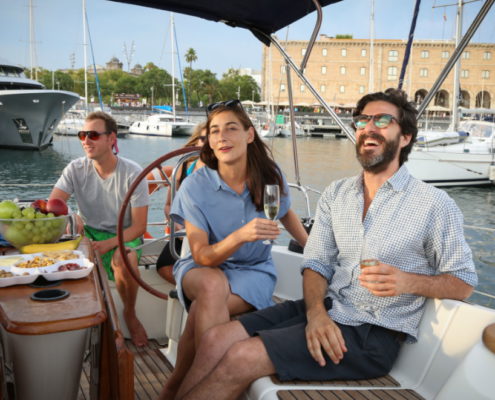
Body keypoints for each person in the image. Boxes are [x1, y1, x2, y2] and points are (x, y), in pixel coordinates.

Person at [172, 89, 478, 400]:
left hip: (371, 331)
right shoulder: (337, 194)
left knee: (241, 358)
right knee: (214, 340)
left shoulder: (434, 204)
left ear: (406, 137)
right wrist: (316, 313)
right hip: (324, 309)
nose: (369, 128)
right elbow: (316, 262)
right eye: (362, 121)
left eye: (383, 120)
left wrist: (406, 281)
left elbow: (463, 282)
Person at [158, 99, 308, 399]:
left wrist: (315, 251)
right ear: (209, 141)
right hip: (201, 268)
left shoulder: (270, 175)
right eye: (214, 131)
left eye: (231, 128)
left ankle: (175, 387)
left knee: (204, 308)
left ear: (249, 135)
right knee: (212, 285)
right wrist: (241, 235)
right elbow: (201, 256)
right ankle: (214, 389)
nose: (222, 137)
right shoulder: (195, 185)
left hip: (254, 272)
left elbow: (285, 212)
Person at [50, 111, 150, 347]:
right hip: (90, 233)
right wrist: (71, 215)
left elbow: (139, 226)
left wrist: (109, 243)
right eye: (82, 135)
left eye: (93, 135)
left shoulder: (133, 173)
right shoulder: (76, 169)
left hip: (124, 234)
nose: (86, 140)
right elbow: (53, 206)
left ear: (111, 139)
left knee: (123, 259)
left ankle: (130, 315)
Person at [156, 122, 207, 283]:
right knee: (164, 266)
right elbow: (169, 205)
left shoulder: (226, 171)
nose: (207, 144)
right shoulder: (183, 168)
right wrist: (179, 229)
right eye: (203, 139)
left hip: (211, 236)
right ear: (196, 141)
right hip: (182, 233)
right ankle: (193, 292)